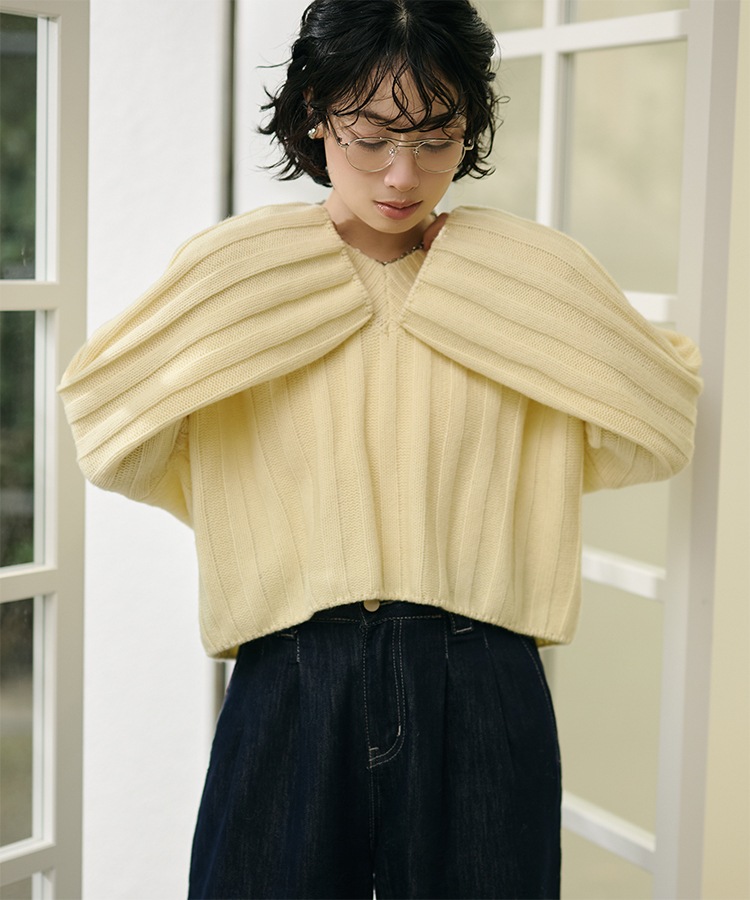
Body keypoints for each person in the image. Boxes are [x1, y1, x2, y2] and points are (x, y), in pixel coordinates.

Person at [58, 1, 702, 897]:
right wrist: (261, 497)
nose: (404, 174)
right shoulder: (248, 269)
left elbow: (661, 424)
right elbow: (106, 430)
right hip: (291, 671)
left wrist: (485, 276)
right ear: (315, 113)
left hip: (484, 673)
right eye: (370, 138)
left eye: (437, 139)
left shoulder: (512, 277)